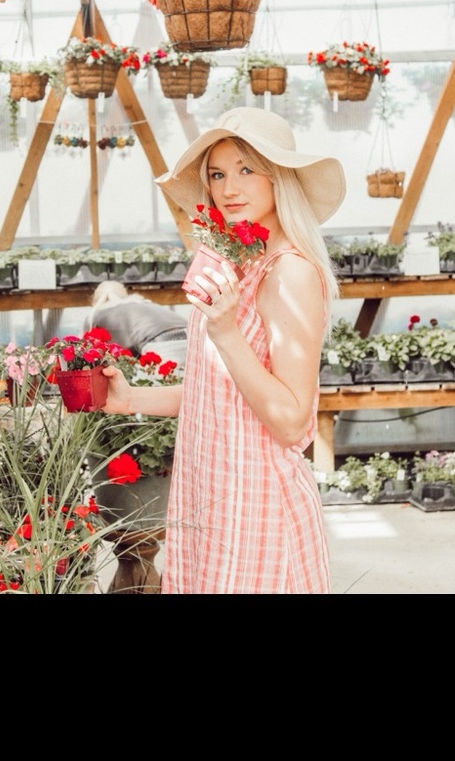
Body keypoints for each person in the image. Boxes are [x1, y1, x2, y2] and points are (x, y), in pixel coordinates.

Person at [101, 107, 346, 594]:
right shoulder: (243, 265)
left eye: (247, 170)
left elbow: (293, 421)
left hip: (255, 506)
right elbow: (219, 391)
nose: (229, 188)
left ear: (280, 180)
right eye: (217, 174)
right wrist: (129, 400)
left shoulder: (289, 272)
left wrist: (228, 332)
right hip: (209, 498)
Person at [86, 280, 189, 368]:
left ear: (93, 301)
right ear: (125, 294)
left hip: (160, 346)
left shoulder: (97, 315)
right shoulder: (143, 303)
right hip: (190, 338)